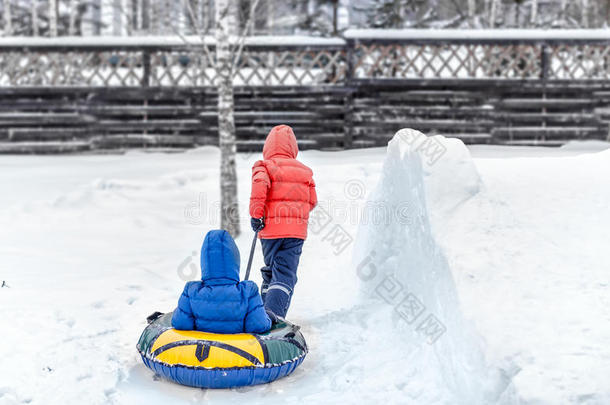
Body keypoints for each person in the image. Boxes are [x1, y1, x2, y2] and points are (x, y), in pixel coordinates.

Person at [249, 124, 317, 323]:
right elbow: (312, 201)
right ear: (293, 148)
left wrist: (256, 215)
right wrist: (295, 215)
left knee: (271, 271)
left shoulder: (264, 166)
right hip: (295, 234)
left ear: (268, 147)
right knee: (285, 273)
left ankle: (261, 314)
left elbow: (259, 189)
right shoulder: (305, 172)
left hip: (269, 232)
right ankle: (273, 316)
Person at [171, 230, 271, 334]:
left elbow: (180, 323)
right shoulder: (248, 291)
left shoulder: (191, 290)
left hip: (202, 348)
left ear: (205, 262)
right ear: (235, 260)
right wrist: (268, 318)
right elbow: (258, 326)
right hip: (237, 349)